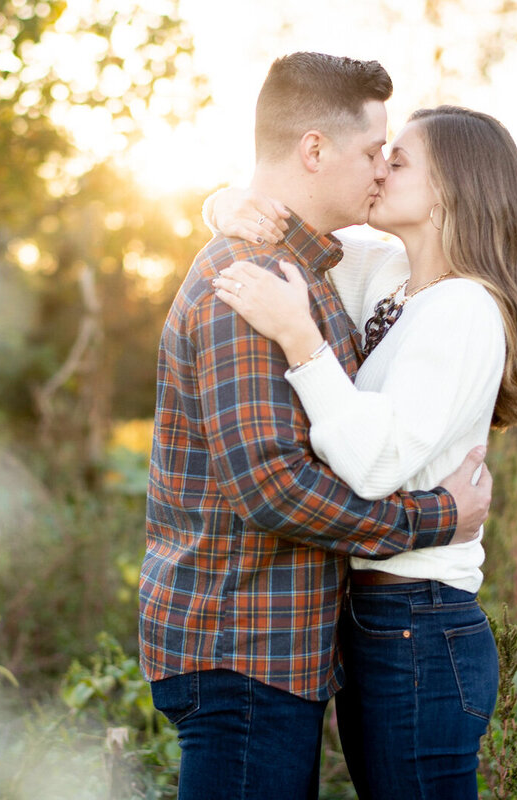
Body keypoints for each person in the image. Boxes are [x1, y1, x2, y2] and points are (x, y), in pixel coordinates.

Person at [139, 52, 494, 800]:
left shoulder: (321, 274)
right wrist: (437, 517)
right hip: (243, 648)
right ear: (313, 149)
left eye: (394, 161)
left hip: (283, 649)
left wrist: (227, 205)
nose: (377, 172)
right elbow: (274, 488)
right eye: (374, 153)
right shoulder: (252, 285)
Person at [209, 104, 517, 797]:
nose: (377, 169)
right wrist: (224, 205)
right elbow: (281, 228)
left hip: (420, 620)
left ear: (453, 189)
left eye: (398, 161)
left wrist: (300, 340)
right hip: (381, 618)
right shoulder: (394, 280)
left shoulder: (464, 309)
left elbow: (374, 466)